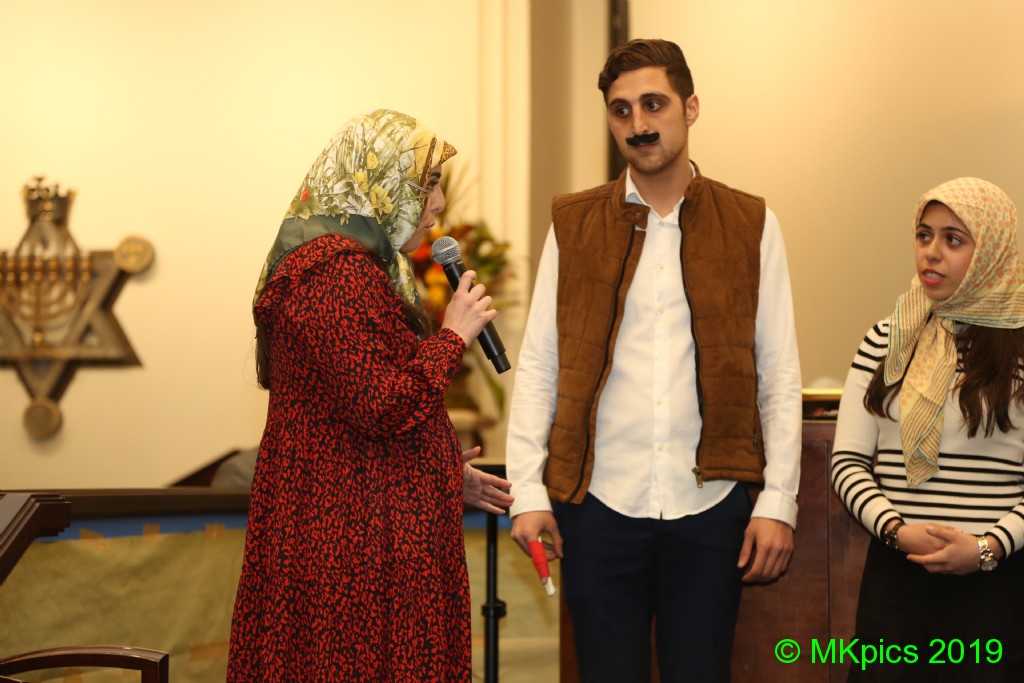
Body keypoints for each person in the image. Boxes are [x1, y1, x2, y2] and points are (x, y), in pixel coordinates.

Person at [505, 39, 802, 682]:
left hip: (711, 506)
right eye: (621, 110)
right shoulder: (573, 224)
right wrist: (527, 491)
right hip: (598, 504)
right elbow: (541, 365)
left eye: (653, 104)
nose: (637, 124)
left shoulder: (751, 222)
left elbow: (778, 375)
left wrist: (778, 501)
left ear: (690, 108)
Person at [228, 109, 513, 683]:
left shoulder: (363, 271)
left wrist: (436, 471)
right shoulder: (334, 275)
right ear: (377, 182)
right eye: (427, 185)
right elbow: (382, 405)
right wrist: (454, 336)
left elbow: (355, 415)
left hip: (358, 529)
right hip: (347, 550)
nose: (438, 205)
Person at [831, 177, 1024, 681]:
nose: (931, 252)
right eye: (924, 235)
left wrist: (986, 548)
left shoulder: (1020, 351)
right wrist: (897, 532)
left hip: (996, 587)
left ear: (992, 252)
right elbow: (848, 462)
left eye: (953, 239)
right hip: (897, 583)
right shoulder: (884, 339)